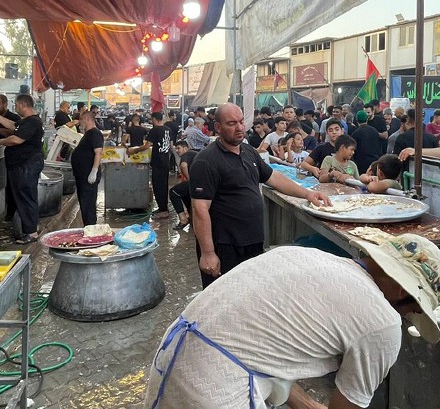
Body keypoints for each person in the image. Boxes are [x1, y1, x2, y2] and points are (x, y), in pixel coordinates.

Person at [143, 233, 440, 409]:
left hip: (170, 360)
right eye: (414, 308)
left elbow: (259, 351)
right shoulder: (382, 322)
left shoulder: (310, 258)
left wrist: (306, 404)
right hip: (213, 392)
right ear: (402, 290)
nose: (408, 315)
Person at [189, 103, 330, 287]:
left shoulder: (248, 151)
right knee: (224, 297)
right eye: (231, 123)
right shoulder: (206, 161)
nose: (239, 127)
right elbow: (199, 209)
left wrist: (307, 194)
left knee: (250, 293)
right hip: (225, 246)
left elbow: (274, 178)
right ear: (218, 127)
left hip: (253, 241)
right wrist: (208, 253)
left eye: (241, 122)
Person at [0, 94, 44, 244]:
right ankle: (31, 228)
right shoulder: (27, 121)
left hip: (26, 164)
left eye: (15, 105)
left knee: (26, 196)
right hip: (23, 164)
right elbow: (14, 126)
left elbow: (16, 139)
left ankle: (31, 232)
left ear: (21, 105)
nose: (15, 108)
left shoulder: (32, 122)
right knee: (26, 195)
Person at [128, 111, 172, 219]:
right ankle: (163, 208)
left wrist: (135, 150)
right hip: (166, 161)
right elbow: (170, 145)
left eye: (152, 119)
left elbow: (147, 146)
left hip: (158, 162)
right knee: (163, 185)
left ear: (155, 119)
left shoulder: (154, 130)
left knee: (158, 186)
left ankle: (163, 211)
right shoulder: (168, 129)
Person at [71, 111, 104, 225]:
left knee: (88, 205)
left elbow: (98, 153)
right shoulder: (88, 134)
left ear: (87, 119)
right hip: (82, 175)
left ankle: (90, 228)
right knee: (85, 205)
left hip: (88, 176)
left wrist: (94, 171)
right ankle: (88, 227)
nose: (80, 122)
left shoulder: (95, 133)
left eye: (81, 119)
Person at [169, 140, 197, 231]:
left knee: (173, 192)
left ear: (185, 148)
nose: (177, 151)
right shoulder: (194, 154)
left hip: (197, 182)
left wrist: (189, 179)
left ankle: (183, 220)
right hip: (202, 182)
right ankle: (192, 217)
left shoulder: (187, 154)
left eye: (179, 148)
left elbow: (183, 166)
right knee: (183, 192)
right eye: (176, 149)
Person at [351, 110, 383, 175]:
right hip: (374, 163)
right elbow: (379, 147)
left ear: (357, 120)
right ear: (367, 119)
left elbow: (353, 151)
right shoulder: (374, 131)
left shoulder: (355, 133)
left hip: (361, 164)